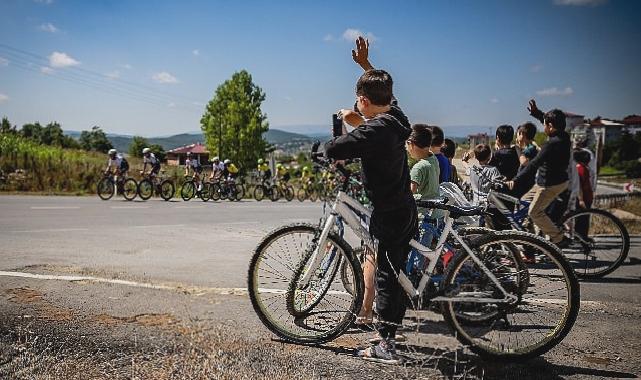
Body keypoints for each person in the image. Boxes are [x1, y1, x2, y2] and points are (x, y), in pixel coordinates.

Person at [324, 36, 416, 364]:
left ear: (362, 100)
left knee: (387, 276)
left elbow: (337, 148)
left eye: (358, 98)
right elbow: (388, 97)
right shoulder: (397, 120)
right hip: (403, 207)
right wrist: (367, 66)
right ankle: (388, 332)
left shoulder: (376, 129)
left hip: (389, 211)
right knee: (394, 270)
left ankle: (386, 346)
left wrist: (319, 150)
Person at [507, 99, 572, 248]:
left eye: (545, 124)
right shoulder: (564, 136)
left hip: (550, 185)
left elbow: (533, 164)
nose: (543, 126)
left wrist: (515, 180)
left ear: (550, 126)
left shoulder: (550, 145)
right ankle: (532, 238)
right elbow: (549, 120)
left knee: (534, 212)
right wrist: (537, 113)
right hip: (550, 181)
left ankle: (558, 238)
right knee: (524, 203)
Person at [509, 122, 539, 199]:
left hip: (525, 184)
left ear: (522, 134)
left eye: (518, 133)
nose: (516, 136)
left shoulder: (530, 149)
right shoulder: (531, 147)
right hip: (527, 182)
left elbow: (524, 162)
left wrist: (517, 148)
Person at [574, 149, 594, 239]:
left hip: (587, 196)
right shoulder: (581, 169)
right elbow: (579, 185)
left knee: (583, 218)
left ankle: (581, 236)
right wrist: (581, 199)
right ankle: (581, 236)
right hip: (584, 197)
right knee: (582, 219)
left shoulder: (583, 167)